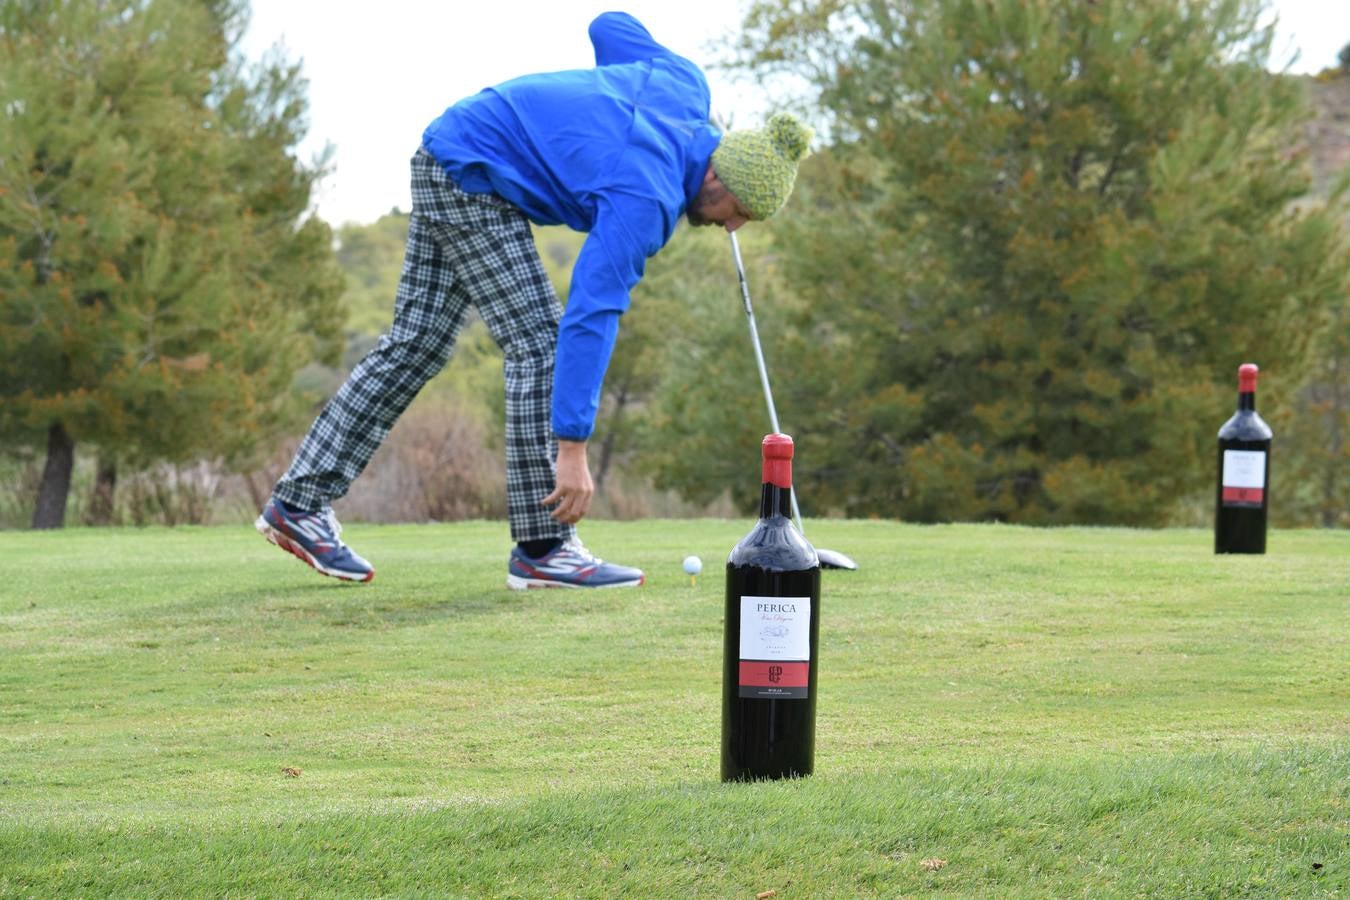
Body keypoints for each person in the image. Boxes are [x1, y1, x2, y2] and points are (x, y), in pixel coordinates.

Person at [254, 11, 812, 588]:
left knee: (415, 345)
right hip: (472, 175)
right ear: (719, 180)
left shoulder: (682, 82)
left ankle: (297, 504)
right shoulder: (643, 199)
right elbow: (589, 317)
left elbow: (610, 25)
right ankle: (544, 548)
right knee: (540, 341)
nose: (733, 229)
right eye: (740, 214)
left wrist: (626, 105)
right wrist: (572, 448)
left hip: (451, 148)